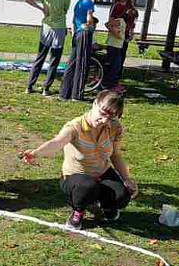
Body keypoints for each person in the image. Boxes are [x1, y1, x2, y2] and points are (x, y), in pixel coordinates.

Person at [19, 90, 137, 230]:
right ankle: (78, 211)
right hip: (75, 175)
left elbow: (116, 155)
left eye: (111, 117)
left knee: (122, 196)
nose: (105, 120)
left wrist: (126, 179)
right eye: (103, 113)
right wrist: (36, 153)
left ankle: (106, 205)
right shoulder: (75, 126)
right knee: (88, 187)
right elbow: (56, 142)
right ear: (94, 104)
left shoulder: (115, 127)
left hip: (102, 172)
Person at [25, 0, 74, 96]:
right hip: (59, 28)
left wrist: (41, 8)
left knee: (40, 56)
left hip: (46, 27)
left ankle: (29, 86)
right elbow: (65, 10)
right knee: (54, 59)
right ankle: (46, 88)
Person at [59, 0, 103, 101]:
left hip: (77, 33)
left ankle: (64, 93)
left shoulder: (79, 2)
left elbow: (74, 20)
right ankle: (77, 95)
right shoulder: (89, 3)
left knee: (72, 63)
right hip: (84, 33)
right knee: (82, 64)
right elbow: (89, 18)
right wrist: (89, 23)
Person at [108, 0, 139, 84]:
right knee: (115, 56)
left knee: (122, 56)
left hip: (126, 33)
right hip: (117, 33)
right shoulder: (116, 6)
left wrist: (131, 33)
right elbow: (111, 20)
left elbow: (133, 22)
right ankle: (111, 77)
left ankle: (117, 77)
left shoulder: (131, 7)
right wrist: (124, 14)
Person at [102, 16, 126, 90]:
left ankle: (111, 83)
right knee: (114, 66)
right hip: (114, 46)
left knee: (116, 66)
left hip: (117, 46)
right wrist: (118, 35)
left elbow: (107, 24)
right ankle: (107, 84)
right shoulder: (120, 20)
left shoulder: (122, 22)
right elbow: (108, 24)